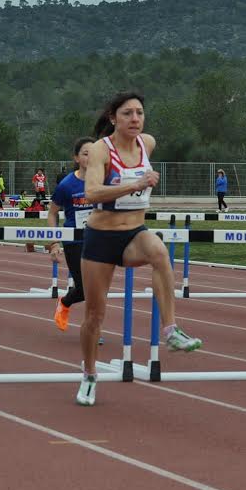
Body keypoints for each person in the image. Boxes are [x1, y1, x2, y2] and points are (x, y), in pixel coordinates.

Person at [77, 92, 202, 406]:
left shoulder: (147, 143)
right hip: (101, 238)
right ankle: (89, 374)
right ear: (113, 118)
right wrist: (132, 185)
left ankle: (170, 329)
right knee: (94, 316)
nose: (135, 119)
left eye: (139, 113)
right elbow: (91, 192)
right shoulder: (99, 150)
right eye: (127, 113)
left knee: (160, 252)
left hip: (134, 233)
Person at [47, 137, 96, 335]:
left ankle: (93, 330)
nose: (90, 157)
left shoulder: (103, 181)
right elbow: (52, 213)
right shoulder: (67, 185)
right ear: (76, 158)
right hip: (74, 241)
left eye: (94, 153)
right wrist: (54, 242)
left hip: (97, 240)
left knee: (96, 289)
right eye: (86, 153)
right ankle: (65, 301)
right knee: (84, 289)